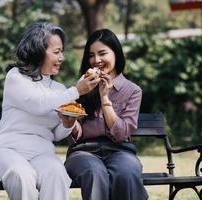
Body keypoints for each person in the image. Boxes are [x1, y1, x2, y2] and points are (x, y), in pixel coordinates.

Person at [0, 22, 99, 200]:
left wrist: (67, 124)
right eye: (56, 52)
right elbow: (38, 104)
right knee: (21, 173)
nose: (61, 57)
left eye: (62, 51)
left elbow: (56, 134)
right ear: (38, 52)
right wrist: (76, 90)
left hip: (41, 154)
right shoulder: (16, 77)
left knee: (57, 173)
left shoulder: (60, 89)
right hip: (6, 152)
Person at [64, 29, 149, 200]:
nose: (96, 61)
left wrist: (104, 98)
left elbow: (121, 134)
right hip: (83, 152)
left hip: (120, 151)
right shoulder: (81, 86)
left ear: (116, 53)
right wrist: (70, 122)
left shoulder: (132, 91)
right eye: (91, 55)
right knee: (95, 173)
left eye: (102, 53)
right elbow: (77, 133)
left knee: (127, 172)